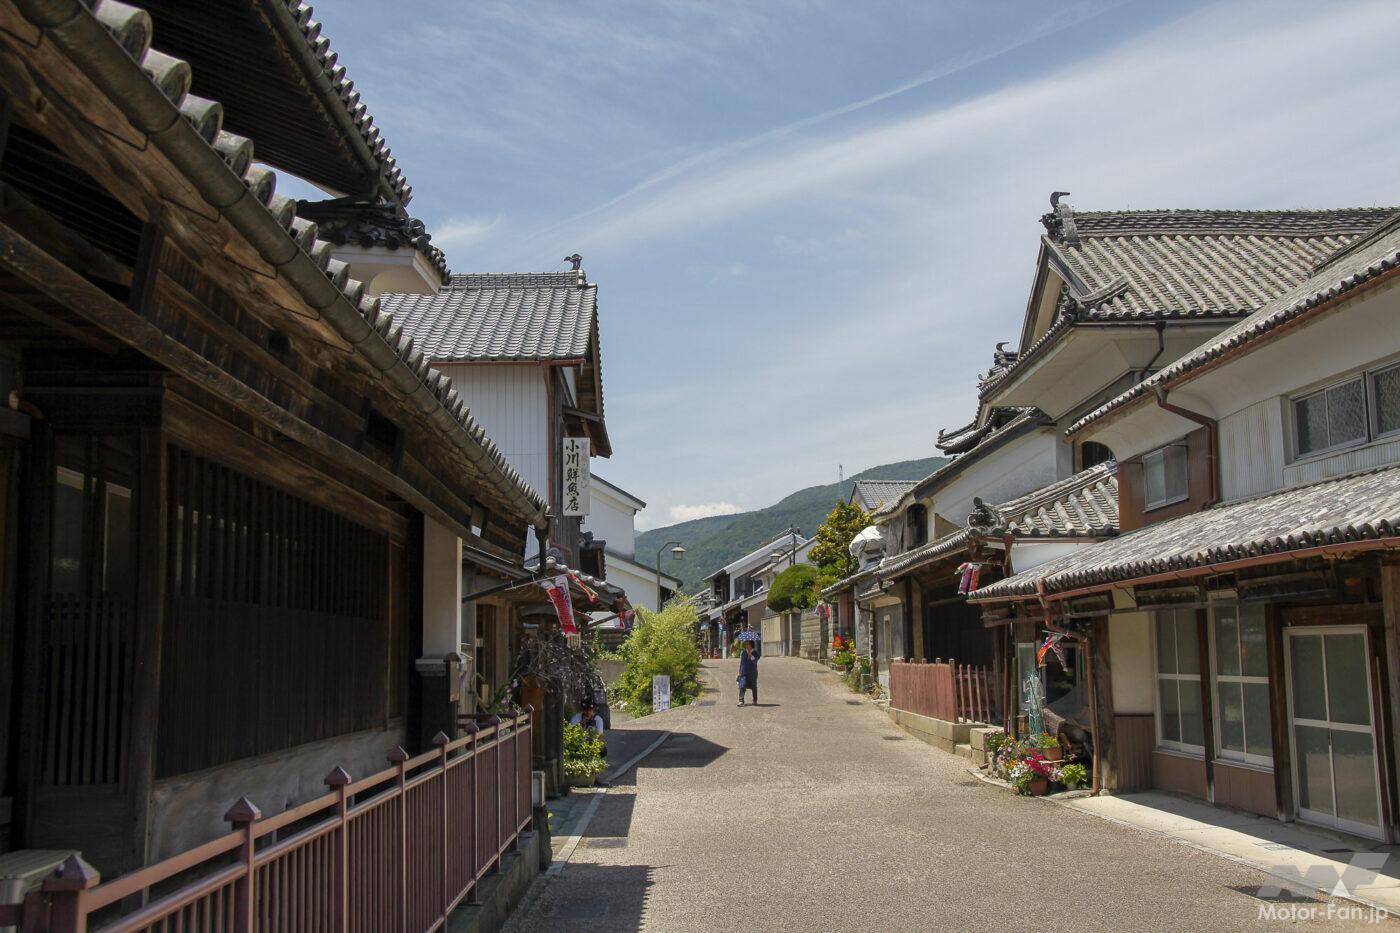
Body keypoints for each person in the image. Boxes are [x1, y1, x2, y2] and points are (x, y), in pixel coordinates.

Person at [737, 640, 759, 706]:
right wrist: (739, 672)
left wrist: (751, 656)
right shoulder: (743, 652)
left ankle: (755, 700)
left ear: (751, 645)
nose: (746, 645)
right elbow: (742, 663)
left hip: (752, 672)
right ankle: (741, 701)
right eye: (746, 644)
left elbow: (755, 661)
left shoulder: (755, 652)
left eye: (748, 644)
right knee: (742, 685)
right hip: (744, 672)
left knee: (753, 686)